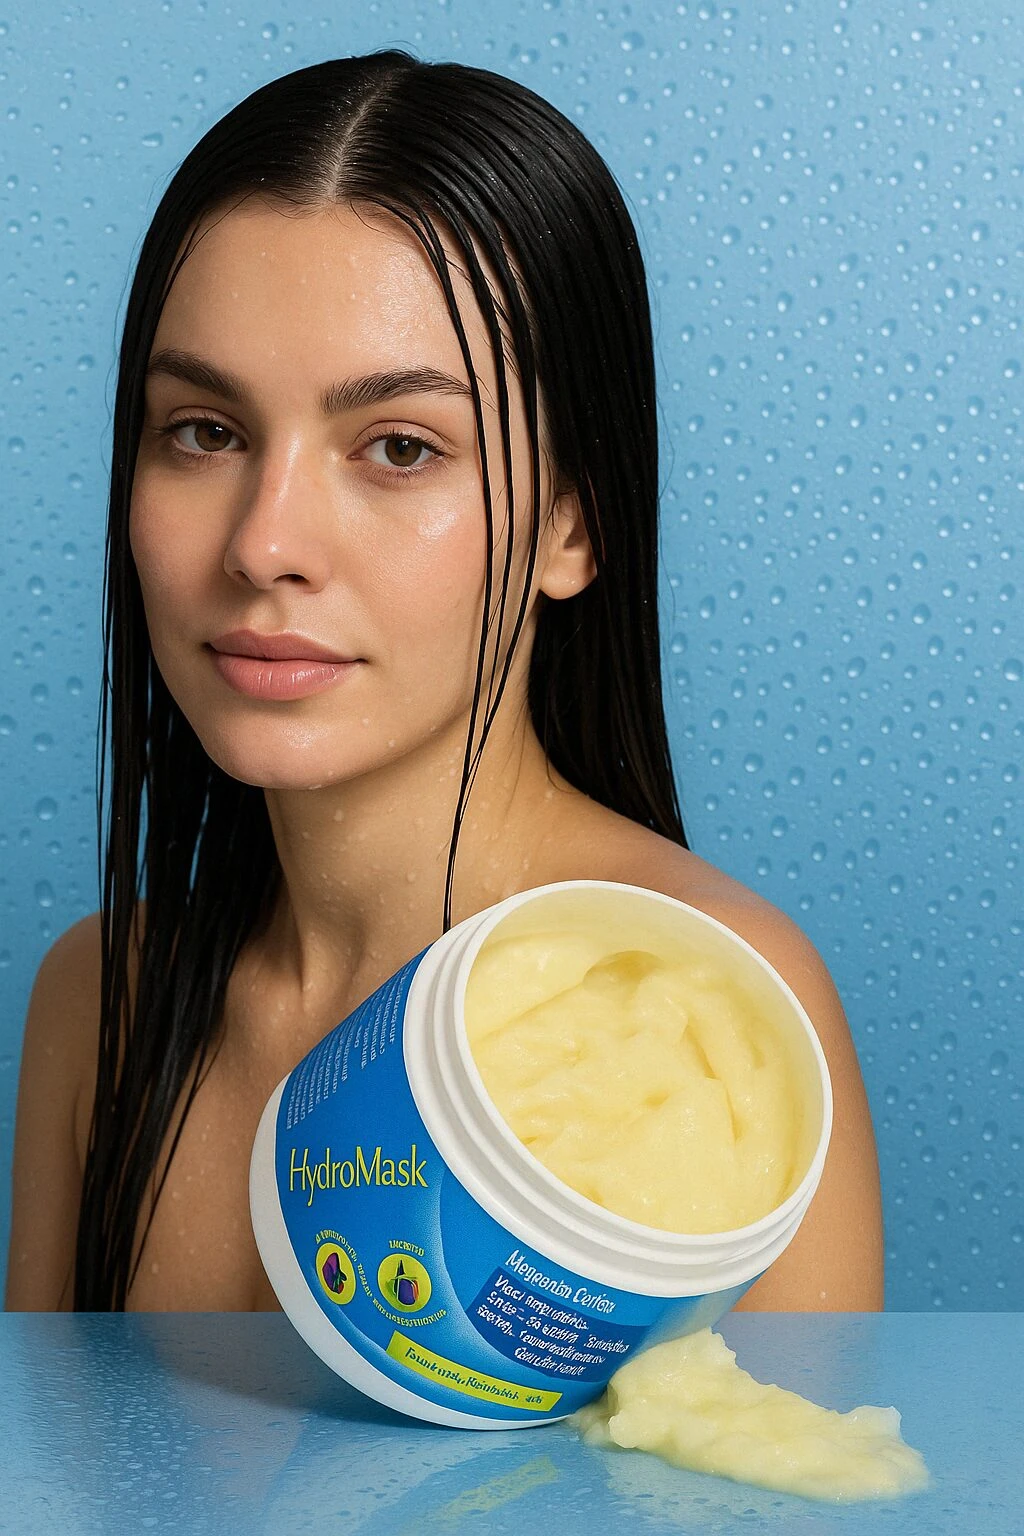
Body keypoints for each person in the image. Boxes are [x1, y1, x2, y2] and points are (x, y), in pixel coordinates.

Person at [5, 50, 883, 1314]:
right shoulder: (100, 998)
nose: (264, 544)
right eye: (204, 431)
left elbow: (780, 1450)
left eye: (401, 448)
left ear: (573, 521)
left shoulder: (716, 1012)